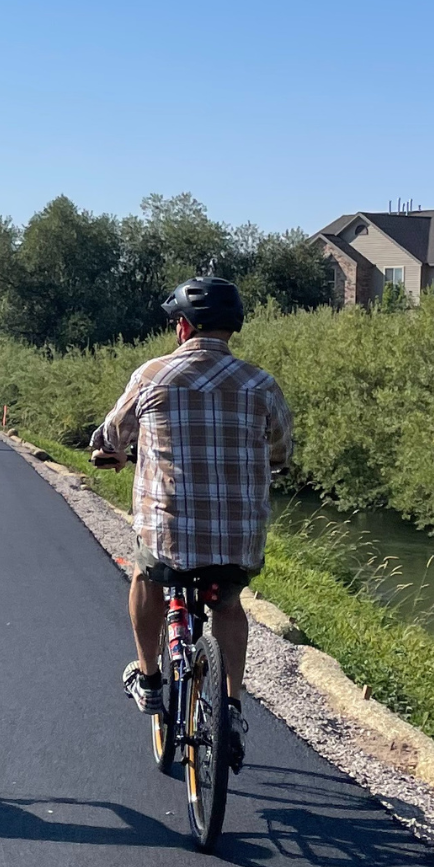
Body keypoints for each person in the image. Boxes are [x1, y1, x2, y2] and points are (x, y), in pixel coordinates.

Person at [89, 277, 292, 770]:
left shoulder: (154, 374)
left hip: (167, 534)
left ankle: (150, 678)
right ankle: (233, 708)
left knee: (144, 573)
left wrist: (110, 453)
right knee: (228, 601)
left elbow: (114, 432)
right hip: (238, 537)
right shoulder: (261, 383)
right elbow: (282, 451)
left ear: (182, 326)